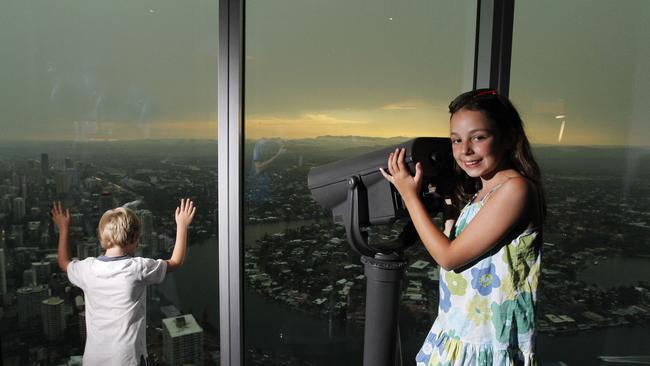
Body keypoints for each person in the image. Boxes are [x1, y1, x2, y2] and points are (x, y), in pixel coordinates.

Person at [380, 89, 545, 365]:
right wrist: (447, 204)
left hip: (486, 342)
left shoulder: (515, 189)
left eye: (478, 137)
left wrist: (409, 195)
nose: (465, 150)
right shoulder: (482, 194)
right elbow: (458, 245)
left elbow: (449, 256)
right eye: (456, 140)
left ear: (508, 137)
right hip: (459, 331)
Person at [51, 199, 196, 366]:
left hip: (93, 359)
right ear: (135, 238)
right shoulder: (138, 268)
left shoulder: (87, 270)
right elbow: (176, 261)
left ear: (101, 238)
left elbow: (64, 262)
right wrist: (182, 225)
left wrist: (63, 227)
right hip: (128, 359)